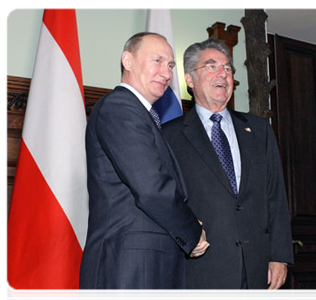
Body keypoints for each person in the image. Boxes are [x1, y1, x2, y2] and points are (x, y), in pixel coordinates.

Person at [79, 32, 209, 300]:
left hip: (146, 266)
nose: (166, 72)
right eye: (157, 60)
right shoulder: (120, 107)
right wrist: (192, 232)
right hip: (130, 269)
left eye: (171, 65)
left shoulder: (141, 115)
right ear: (127, 60)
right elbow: (152, 187)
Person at [162, 38, 294, 300]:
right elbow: (166, 201)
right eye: (211, 67)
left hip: (257, 273)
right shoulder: (169, 136)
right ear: (189, 79)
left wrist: (279, 255)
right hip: (201, 273)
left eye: (227, 68)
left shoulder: (258, 130)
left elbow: (275, 196)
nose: (223, 73)